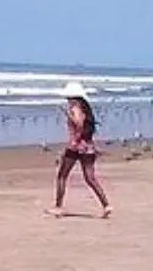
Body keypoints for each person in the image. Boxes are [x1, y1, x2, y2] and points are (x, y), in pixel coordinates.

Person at [48, 82, 112, 218]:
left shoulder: (75, 108)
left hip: (75, 147)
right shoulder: (85, 109)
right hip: (88, 147)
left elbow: (78, 124)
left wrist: (68, 114)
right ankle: (106, 205)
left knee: (62, 176)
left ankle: (58, 207)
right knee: (90, 178)